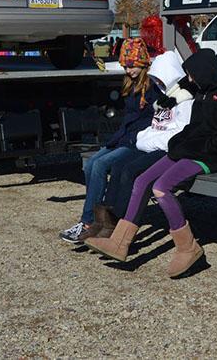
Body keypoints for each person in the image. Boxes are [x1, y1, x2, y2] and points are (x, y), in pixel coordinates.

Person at [85, 48, 217, 278]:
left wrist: (195, 146)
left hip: (206, 157)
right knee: (141, 181)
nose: (189, 79)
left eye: (192, 74)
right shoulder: (202, 92)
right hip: (187, 149)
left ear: (204, 72)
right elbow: (191, 125)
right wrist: (180, 142)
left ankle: (187, 247)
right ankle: (120, 243)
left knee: (161, 188)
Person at [59, 38, 158, 244]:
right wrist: (115, 139)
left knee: (101, 165)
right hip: (123, 138)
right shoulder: (131, 84)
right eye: (125, 66)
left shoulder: (152, 87)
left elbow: (152, 121)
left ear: (142, 62)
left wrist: (127, 139)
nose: (128, 70)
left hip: (138, 142)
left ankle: (88, 222)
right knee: (91, 165)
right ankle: (97, 216)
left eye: (131, 65)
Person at [91, 51, 196, 238]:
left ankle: (118, 223)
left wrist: (147, 139)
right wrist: (144, 138)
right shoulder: (165, 96)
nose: (159, 83)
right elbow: (157, 126)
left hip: (165, 149)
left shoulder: (184, 100)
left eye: (161, 79)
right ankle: (104, 219)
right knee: (117, 167)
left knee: (130, 171)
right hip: (150, 144)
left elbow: (178, 132)